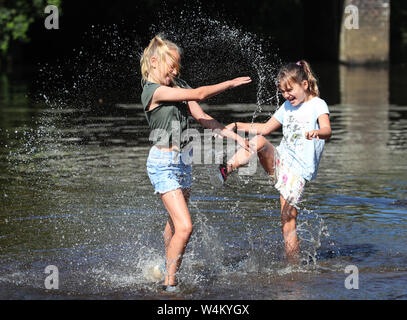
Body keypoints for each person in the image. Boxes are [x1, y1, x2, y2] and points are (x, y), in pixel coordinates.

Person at [140, 35, 252, 292]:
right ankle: (170, 285)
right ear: (155, 62)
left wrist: (235, 136)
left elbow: (201, 116)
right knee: (185, 226)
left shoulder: (179, 85)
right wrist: (230, 83)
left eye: (178, 66)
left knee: (174, 223)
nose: (176, 71)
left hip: (183, 162)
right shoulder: (153, 91)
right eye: (172, 65)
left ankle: (165, 267)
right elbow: (201, 93)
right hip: (163, 163)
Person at [219, 60, 331, 261]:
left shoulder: (317, 104)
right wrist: (235, 125)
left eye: (290, 90)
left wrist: (318, 133)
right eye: (283, 92)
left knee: (288, 220)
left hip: (298, 173)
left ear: (304, 85)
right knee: (260, 140)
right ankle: (226, 168)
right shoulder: (287, 106)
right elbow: (263, 128)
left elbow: (327, 130)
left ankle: (293, 265)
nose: (287, 95)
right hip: (281, 160)